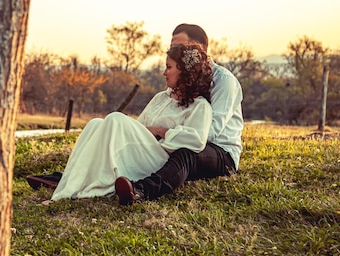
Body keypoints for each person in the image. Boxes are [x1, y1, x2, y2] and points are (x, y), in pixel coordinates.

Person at [50, 42, 213, 202]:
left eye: (169, 67)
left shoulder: (199, 106)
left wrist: (161, 131)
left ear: (185, 72)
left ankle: (88, 188)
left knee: (115, 119)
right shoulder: (161, 97)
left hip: (160, 159)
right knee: (95, 124)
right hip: (141, 151)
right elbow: (140, 127)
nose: (164, 72)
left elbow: (197, 140)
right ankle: (70, 183)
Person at [114, 23, 244, 205]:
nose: (174, 51)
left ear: (198, 49)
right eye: (172, 47)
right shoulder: (182, 78)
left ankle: (140, 191)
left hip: (220, 152)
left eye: (179, 47)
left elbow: (210, 132)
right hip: (187, 137)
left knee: (185, 152)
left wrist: (165, 132)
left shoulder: (224, 81)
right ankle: (91, 177)